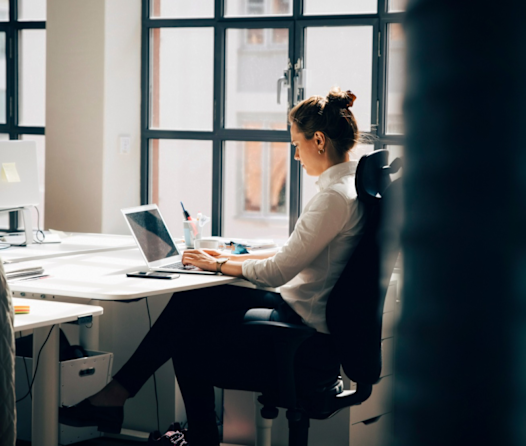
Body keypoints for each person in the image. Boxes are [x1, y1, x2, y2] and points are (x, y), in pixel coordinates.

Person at [60, 87, 365, 446]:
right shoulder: (352, 187)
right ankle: (117, 396)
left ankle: (148, 413)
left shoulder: (331, 198)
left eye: (296, 144)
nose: (295, 154)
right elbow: (292, 253)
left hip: (303, 332)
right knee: (193, 303)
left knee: (187, 340)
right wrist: (229, 260)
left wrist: (219, 263)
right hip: (307, 315)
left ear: (318, 140)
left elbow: (277, 272)